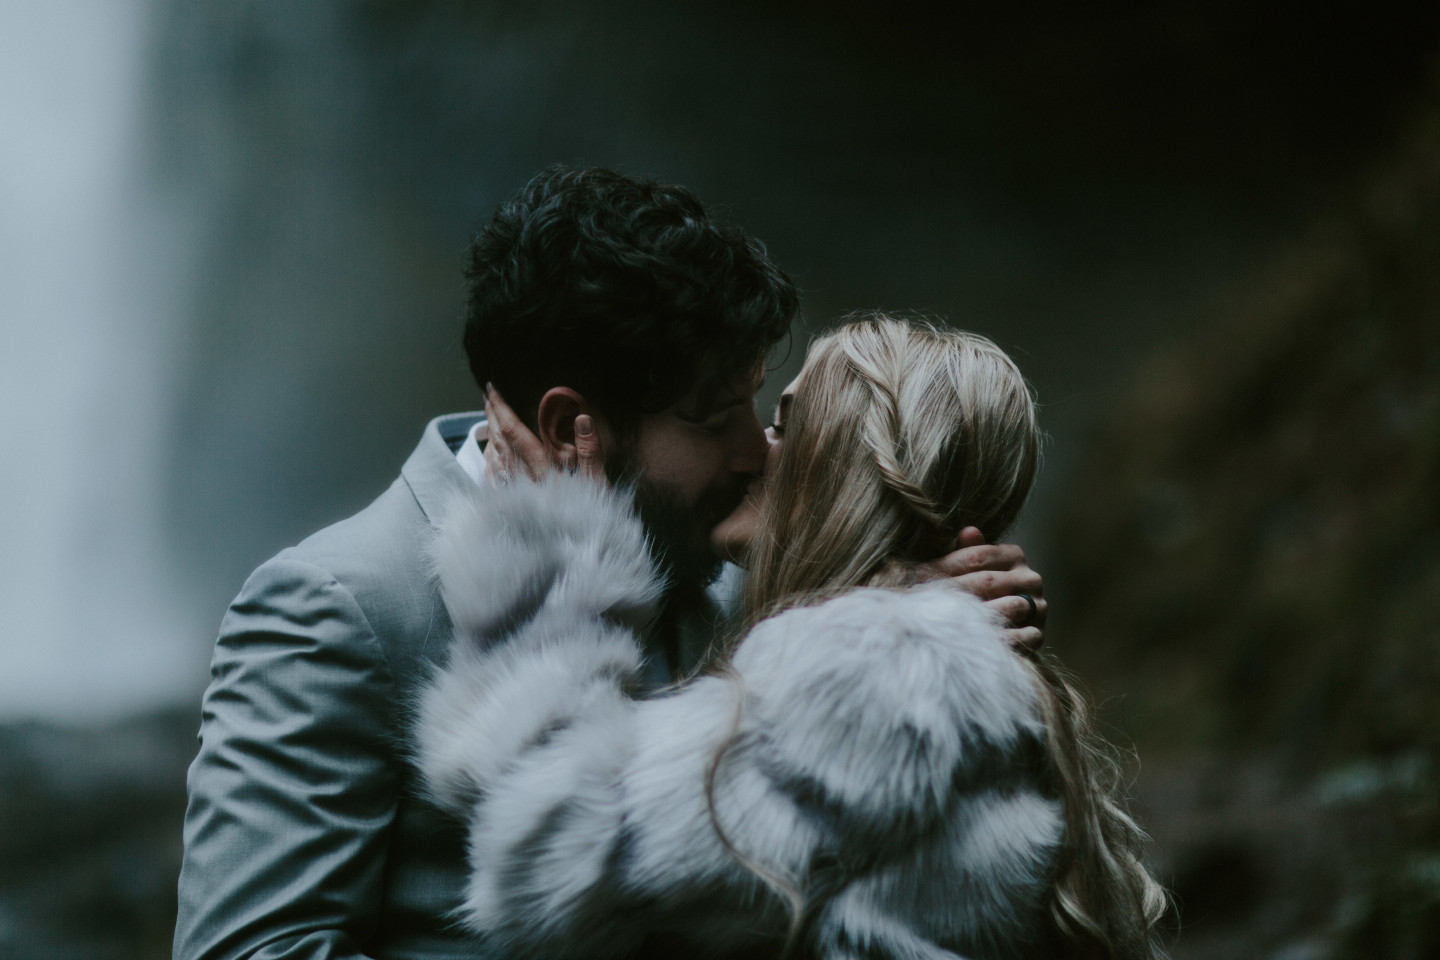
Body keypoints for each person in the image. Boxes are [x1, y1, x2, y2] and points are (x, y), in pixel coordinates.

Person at [174, 169, 1048, 959]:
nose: (759, 453)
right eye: (714, 420)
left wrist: (892, 620)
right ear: (567, 428)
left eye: (755, 405)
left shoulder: (742, 578)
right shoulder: (342, 604)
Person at [416, 314, 1167, 959]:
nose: (752, 452)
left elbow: (544, 856)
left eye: (785, 424)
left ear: (843, 471)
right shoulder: (926, 662)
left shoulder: (871, 674)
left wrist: (556, 554)